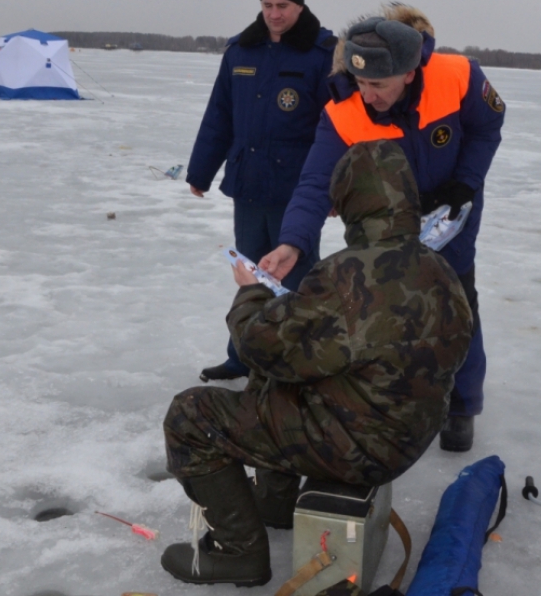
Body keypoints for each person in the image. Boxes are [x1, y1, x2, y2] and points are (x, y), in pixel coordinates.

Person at [160, 140, 473, 587]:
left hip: (358, 447)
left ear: (348, 202)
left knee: (190, 417)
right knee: (284, 377)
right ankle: (273, 504)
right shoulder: (440, 269)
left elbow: (258, 345)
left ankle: (239, 553)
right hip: (406, 436)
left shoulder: (346, 273)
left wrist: (251, 293)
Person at [261, 4, 505, 452]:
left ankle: (462, 405)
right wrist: (293, 242)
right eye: (360, 82)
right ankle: (400, 398)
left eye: (378, 85)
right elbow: (316, 180)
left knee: (456, 301)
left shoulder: (459, 75)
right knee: (391, 310)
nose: (367, 95)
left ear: (409, 73)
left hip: (453, 208)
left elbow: (488, 127)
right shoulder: (343, 110)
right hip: (383, 219)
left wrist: (464, 184)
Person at [185, 0, 336, 382]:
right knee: (249, 273)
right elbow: (219, 116)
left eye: (282, 5)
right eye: (267, 5)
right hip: (249, 182)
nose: (273, 13)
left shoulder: (323, 53)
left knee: (299, 277)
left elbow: (341, 127)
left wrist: (336, 190)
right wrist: (201, 170)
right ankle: (242, 355)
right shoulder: (241, 50)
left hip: (299, 191)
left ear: (299, 4)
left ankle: (301, 360)